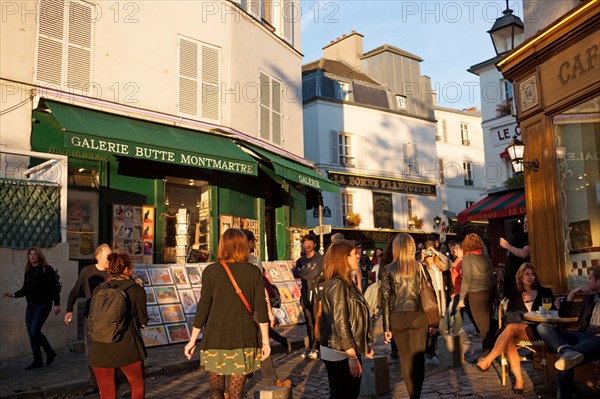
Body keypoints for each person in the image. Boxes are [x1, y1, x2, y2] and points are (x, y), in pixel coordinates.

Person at [184, 228, 270, 399]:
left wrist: (192, 340)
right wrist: (266, 342)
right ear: (244, 246)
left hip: (215, 337)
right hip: (243, 337)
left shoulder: (211, 271)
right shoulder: (253, 272)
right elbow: (261, 308)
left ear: (222, 246)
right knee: (236, 393)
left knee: (215, 390)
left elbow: (204, 306)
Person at [475, 263, 554, 393]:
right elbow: (510, 315)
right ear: (520, 276)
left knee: (510, 329)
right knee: (509, 340)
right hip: (519, 329)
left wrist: (555, 305)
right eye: (526, 274)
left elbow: (553, 312)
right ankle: (519, 380)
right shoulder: (514, 293)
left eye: (532, 274)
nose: (530, 277)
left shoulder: (545, 292)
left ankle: (488, 360)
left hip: (538, 330)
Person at [318, 240, 374, 399]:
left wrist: (363, 345)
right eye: (353, 254)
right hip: (340, 350)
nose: (357, 256)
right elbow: (340, 321)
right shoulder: (337, 284)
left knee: (349, 393)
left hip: (348, 348)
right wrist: (351, 355)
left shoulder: (347, 282)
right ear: (344, 258)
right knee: (344, 394)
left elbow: (355, 316)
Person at [88, 253, 148, 399]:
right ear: (127, 269)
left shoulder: (98, 289)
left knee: (106, 392)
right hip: (127, 347)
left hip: (100, 348)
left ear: (110, 270)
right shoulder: (137, 290)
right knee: (137, 386)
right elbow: (143, 320)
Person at [537, 266, 600, 399]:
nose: (587, 281)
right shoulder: (590, 297)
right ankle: (565, 349)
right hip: (582, 336)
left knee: (565, 362)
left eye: (590, 278)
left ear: (599, 281)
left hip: (597, 340)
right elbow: (563, 314)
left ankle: (567, 354)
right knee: (543, 327)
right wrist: (573, 293)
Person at [380, 234, 429, 399]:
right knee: (418, 359)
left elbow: (385, 301)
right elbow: (429, 294)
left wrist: (386, 327)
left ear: (396, 248)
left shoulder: (387, 269)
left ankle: (411, 395)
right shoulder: (420, 268)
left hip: (397, 318)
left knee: (406, 359)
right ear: (412, 248)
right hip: (418, 316)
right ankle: (416, 395)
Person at [241, 229, 291, 387]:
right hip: (250, 308)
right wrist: (268, 312)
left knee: (251, 343)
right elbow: (260, 287)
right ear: (247, 242)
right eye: (253, 241)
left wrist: (269, 312)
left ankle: (256, 377)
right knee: (259, 343)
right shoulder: (251, 261)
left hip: (244, 308)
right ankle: (269, 379)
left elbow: (261, 287)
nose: (254, 244)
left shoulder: (244, 261)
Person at [64, 244, 112, 395]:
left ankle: (109, 382)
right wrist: (69, 310)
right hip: (90, 318)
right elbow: (75, 291)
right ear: (98, 256)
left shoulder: (113, 272)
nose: (110, 259)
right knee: (90, 352)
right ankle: (93, 383)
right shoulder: (87, 271)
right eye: (107, 256)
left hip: (109, 319)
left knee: (108, 351)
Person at [3, 247, 60, 370]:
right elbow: (25, 289)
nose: (32, 256)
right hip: (31, 305)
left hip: (44, 304)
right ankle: (37, 360)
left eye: (35, 254)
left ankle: (50, 352)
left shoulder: (46, 269)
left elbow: (54, 288)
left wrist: (57, 304)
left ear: (39, 256)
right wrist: (13, 294)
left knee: (34, 331)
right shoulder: (28, 270)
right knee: (31, 333)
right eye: (30, 254)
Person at [458, 233, 497, 356]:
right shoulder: (485, 257)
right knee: (488, 323)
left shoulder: (467, 258)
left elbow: (466, 279)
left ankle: (487, 353)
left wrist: (461, 298)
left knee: (482, 325)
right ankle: (491, 349)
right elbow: (492, 277)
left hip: (476, 293)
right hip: (489, 292)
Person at [292, 233, 323, 360]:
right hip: (305, 294)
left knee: (317, 321)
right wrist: (310, 272)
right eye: (305, 243)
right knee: (309, 322)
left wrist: (306, 272)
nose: (308, 245)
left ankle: (317, 347)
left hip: (317, 294)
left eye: (310, 242)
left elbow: (317, 273)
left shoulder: (320, 258)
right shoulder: (301, 261)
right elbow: (295, 273)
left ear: (314, 244)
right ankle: (311, 347)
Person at [421, 241, 452, 365]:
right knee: (431, 326)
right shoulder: (423, 265)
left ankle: (431, 352)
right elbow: (417, 271)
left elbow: (450, 264)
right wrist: (422, 259)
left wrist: (437, 253)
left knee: (438, 325)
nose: (430, 253)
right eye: (428, 250)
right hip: (429, 298)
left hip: (440, 295)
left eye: (431, 250)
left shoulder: (438, 263)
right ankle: (429, 353)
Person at [500, 216, 530, 294]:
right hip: (512, 279)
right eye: (524, 222)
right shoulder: (520, 235)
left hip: (520, 279)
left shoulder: (530, 237)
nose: (525, 224)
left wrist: (507, 246)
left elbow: (524, 254)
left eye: (527, 222)